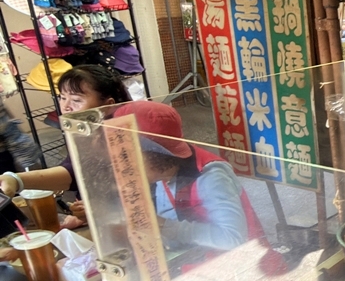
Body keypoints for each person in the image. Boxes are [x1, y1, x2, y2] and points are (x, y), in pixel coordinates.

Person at [113, 101, 264, 252]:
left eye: (129, 157)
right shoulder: (162, 174)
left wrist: (165, 226)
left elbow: (234, 239)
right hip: (194, 257)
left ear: (156, 156)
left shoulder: (210, 178)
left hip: (240, 263)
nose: (124, 166)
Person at [0, 65, 129, 224]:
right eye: (62, 97)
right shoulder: (84, 131)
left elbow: (140, 192)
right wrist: (16, 179)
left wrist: (106, 211)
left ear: (108, 105)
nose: (66, 106)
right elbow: (75, 168)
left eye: (76, 100)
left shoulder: (123, 137)